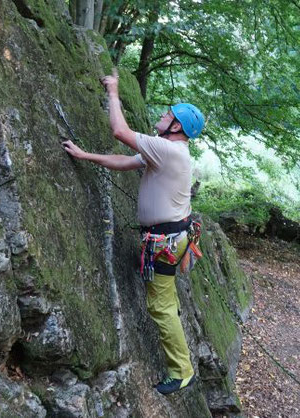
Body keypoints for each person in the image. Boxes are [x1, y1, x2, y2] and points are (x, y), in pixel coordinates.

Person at [62, 68, 205, 395]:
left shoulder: (168, 150)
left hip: (166, 242)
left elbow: (119, 131)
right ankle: (181, 358)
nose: (162, 114)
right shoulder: (166, 152)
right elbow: (123, 161)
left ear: (177, 126)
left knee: (160, 307)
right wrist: (85, 156)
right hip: (171, 239)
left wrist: (113, 91)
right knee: (164, 300)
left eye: (168, 114)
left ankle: (182, 371)